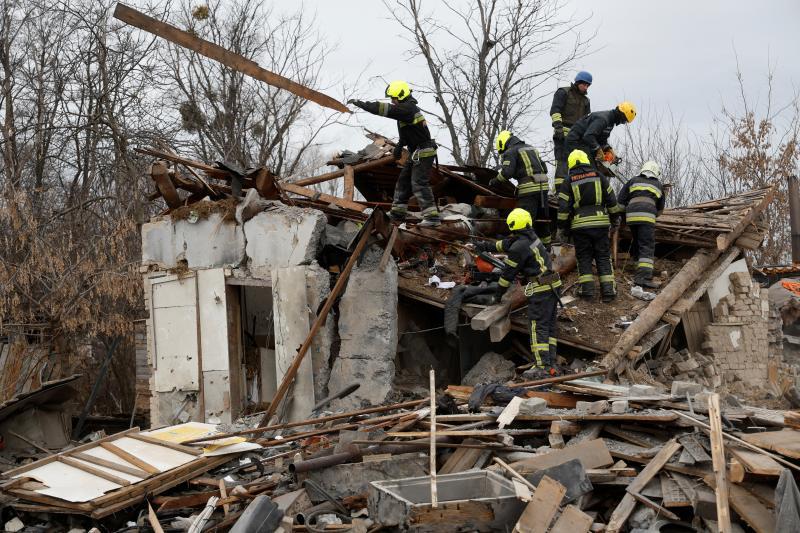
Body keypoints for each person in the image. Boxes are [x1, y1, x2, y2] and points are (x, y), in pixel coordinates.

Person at [471, 208, 562, 376]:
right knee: (548, 325)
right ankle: (550, 362)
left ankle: (542, 366)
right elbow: (505, 244)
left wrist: (497, 295)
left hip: (541, 289)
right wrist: (484, 246)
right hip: (552, 285)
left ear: (513, 224)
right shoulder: (530, 237)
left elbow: (507, 276)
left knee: (537, 326)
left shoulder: (518, 248)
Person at [348, 81, 441, 227]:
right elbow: (407, 133)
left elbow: (384, 109)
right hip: (416, 152)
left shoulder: (408, 109)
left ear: (401, 96)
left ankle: (432, 218)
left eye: (393, 98)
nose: (392, 101)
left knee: (418, 183)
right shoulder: (406, 111)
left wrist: (362, 104)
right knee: (403, 182)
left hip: (423, 152)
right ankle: (398, 212)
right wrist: (399, 146)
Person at [557, 149, 624, 302]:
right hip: (600, 224)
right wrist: (615, 219)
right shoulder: (599, 176)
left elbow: (563, 209)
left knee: (584, 257)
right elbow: (612, 201)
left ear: (571, 163)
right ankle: (608, 292)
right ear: (586, 161)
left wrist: (563, 228)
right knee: (602, 256)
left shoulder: (568, 180)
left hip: (580, 227)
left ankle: (587, 291)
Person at [489, 130, 551, 247]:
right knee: (543, 221)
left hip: (528, 191)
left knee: (524, 223)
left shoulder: (510, 152)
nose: (503, 153)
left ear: (503, 143)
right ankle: (546, 249)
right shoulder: (532, 148)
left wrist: (494, 181)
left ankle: (525, 249)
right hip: (543, 189)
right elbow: (545, 168)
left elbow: (507, 172)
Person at [617, 161, 666, 288]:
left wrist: (621, 216)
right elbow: (660, 209)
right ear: (656, 172)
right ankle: (643, 277)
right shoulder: (658, 185)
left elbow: (621, 202)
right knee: (647, 245)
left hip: (631, 216)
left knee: (637, 241)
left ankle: (636, 266)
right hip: (648, 217)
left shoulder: (633, 181)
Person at [550, 71, 592, 189]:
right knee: (562, 162)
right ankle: (559, 191)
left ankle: (575, 190)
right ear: (578, 82)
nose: (586, 87)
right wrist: (558, 128)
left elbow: (587, 121)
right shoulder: (563, 92)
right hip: (562, 134)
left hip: (577, 138)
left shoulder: (586, 101)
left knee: (579, 163)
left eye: (588, 85)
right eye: (584, 84)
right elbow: (555, 111)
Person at [564, 102, 637, 168]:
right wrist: (598, 149)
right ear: (621, 115)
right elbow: (588, 136)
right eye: (624, 120)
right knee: (590, 165)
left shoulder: (610, 122)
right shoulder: (603, 119)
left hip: (583, 142)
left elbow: (602, 140)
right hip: (575, 141)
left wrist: (609, 150)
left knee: (595, 165)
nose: (622, 123)